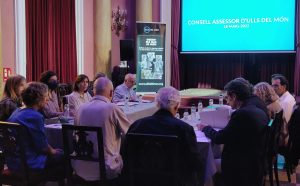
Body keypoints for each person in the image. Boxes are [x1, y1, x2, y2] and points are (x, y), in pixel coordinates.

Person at [122, 86, 202, 186]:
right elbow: (194, 162)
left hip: (142, 181)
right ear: (177, 106)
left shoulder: (137, 125)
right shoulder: (184, 129)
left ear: (158, 104)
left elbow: (125, 155)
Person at [198, 78, 269, 186]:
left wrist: (205, 128)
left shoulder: (242, 114)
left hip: (241, 166)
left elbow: (219, 138)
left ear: (234, 96)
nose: (227, 101)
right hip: (255, 161)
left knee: (205, 164)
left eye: (228, 98)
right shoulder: (256, 105)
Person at [73, 77, 131, 181]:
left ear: (93, 91)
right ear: (111, 92)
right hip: (106, 169)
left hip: (80, 168)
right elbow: (130, 133)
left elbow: (75, 136)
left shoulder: (80, 109)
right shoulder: (112, 109)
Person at [7, 82, 64, 172]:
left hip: (13, 161)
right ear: (38, 99)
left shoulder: (17, 111)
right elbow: (43, 147)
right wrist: (55, 151)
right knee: (65, 155)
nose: (47, 99)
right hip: (29, 163)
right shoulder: (35, 116)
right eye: (46, 96)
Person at [271, 74, 296, 146]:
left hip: (282, 139)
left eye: (276, 86)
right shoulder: (281, 98)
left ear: (284, 86)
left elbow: (284, 124)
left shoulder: (287, 101)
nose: (273, 88)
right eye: (272, 85)